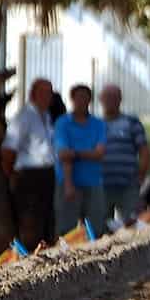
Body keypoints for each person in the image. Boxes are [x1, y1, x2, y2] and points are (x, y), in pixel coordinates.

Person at [0, 78, 58, 248]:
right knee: (30, 225)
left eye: (49, 93)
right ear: (33, 94)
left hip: (46, 174)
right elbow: (8, 149)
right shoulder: (23, 117)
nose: (47, 97)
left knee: (46, 222)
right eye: (43, 93)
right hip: (28, 176)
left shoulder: (46, 116)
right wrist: (11, 177)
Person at [54, 84, 107, 237]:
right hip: (68, 182)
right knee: (67, 230)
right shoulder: (63, 123)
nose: (82, 101)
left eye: (85, 97)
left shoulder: (98, 124)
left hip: (93, 181)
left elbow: (100, 153)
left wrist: (74, 153)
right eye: (78, 97)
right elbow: (63, 154)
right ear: (72, 99)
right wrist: (88, 153)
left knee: (96, 229)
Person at [98, 84, 150, 227]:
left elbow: (144, 151)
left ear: (120, 99)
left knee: (132, 225)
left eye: (114, 97)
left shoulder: (132, 122)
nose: (110, 101)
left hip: (128, 185)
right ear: (100, 99)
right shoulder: (94, 125)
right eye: (107, 97)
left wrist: (141, 177)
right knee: (102, 227)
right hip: (101, 185)